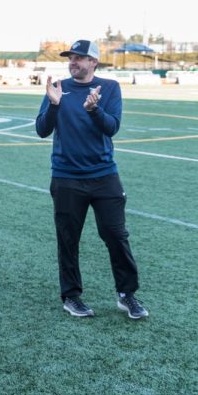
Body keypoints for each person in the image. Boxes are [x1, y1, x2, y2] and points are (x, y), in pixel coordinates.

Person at [35, 40, 148, 320]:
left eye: (80, 58)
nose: (73, 62)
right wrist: (53, 105)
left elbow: (112, 127)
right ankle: (71, 296)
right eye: (71, 58)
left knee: (116, 235)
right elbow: (41, 130)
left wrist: (94, 109)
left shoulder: (109, 88)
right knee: (68, 239)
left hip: (104, 176)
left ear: (94, 62)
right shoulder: (58, 88)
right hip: (66, 178)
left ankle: (127, 295)